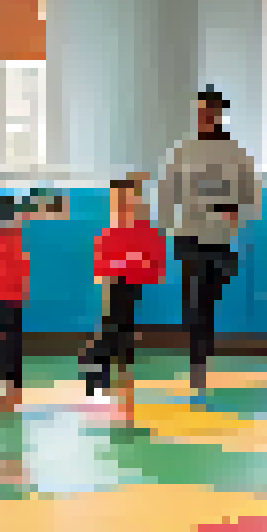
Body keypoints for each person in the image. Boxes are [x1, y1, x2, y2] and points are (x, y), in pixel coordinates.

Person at [157, 88, 261, 393]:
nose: (205, 117)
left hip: (220, 237)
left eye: (210, 112)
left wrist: (238, 215)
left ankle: (202, 351)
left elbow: (251, 195)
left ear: (219, 115)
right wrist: (165, 229)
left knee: (209, 297)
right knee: (194, 299)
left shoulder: (235, 152)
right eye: (200, 112)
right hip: (188, 233)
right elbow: (166, 192)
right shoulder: (182, 151)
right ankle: (197, 362)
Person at [80, 174, 166, 425]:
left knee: (122, 329)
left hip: (131, 285)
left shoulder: (146, 231)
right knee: (111, 327)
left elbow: (155, 266)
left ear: (137, 200)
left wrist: (135, 263)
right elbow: (102, 267)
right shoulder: (110, 233)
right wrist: (124, 263)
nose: (123, 204)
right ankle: (97, 378)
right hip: (116, 284)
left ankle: (110, 377)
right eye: (118, 200)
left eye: (128, 199)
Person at [0, 190, 67, 411]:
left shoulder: (4, 236)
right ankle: (9, 393)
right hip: (4, 297)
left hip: (8, 296)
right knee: (4, 346)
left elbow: (9, 270)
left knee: (8, 346)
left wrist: (43, 203)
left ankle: (12, 396)